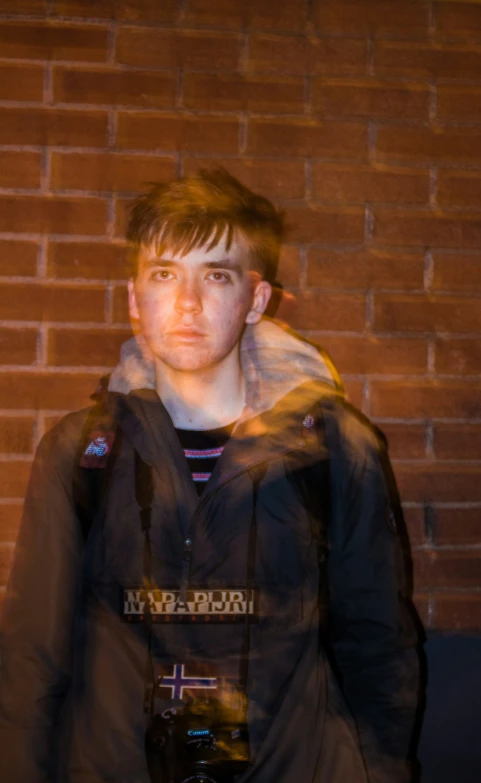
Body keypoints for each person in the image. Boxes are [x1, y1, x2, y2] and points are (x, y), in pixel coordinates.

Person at [0, 168, 420, 783]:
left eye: (216, 275)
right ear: (134, 297)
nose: (188, 302)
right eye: (165, 274)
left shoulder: (335, 449)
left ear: (255, 299)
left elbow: (379, 646)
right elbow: (34, 654)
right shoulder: (82, 452)